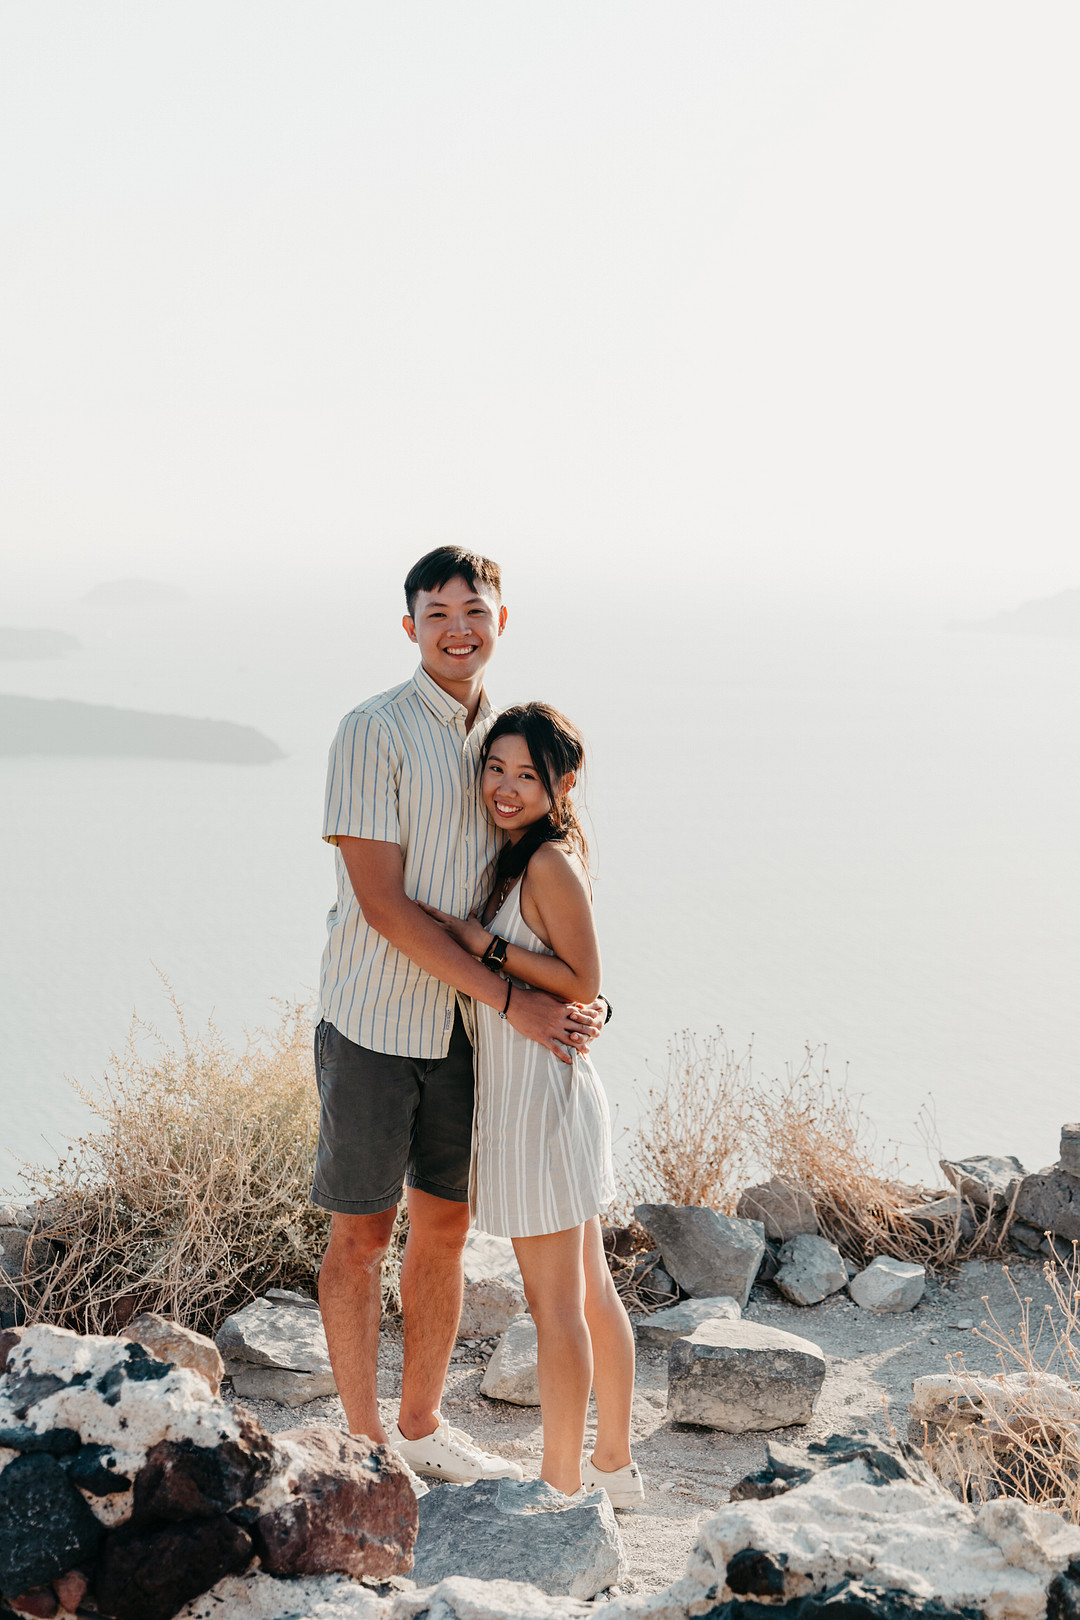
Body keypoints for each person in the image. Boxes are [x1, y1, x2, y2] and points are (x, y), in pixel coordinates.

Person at [313, 546, 606, 1484]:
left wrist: (579, 993)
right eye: (435, 613)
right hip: (375, 1021)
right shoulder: (374, 730)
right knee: (361, 1237)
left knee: (442, 1228)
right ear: (410, 629)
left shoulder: (510, 742)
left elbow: (552, 877)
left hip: (470, 1034)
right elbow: (384, 906)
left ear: (501, 621)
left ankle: (423, 1426)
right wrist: (519, 999)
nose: (456, 628)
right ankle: (366, 1448)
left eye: (472, 610)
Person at [421, 703, 643, 1506]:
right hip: (540, 1090)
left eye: (527, 775)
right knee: (586, 1291)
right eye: (496, 769)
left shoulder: (547, 862)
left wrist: (479, 944)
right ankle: (613, 1470)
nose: (506, 788)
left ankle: (559, 1486)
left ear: (564, 783)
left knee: (559, 1304)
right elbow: (579, 985)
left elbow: (583, 980)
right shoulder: (523, 855)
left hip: (541, 1096)